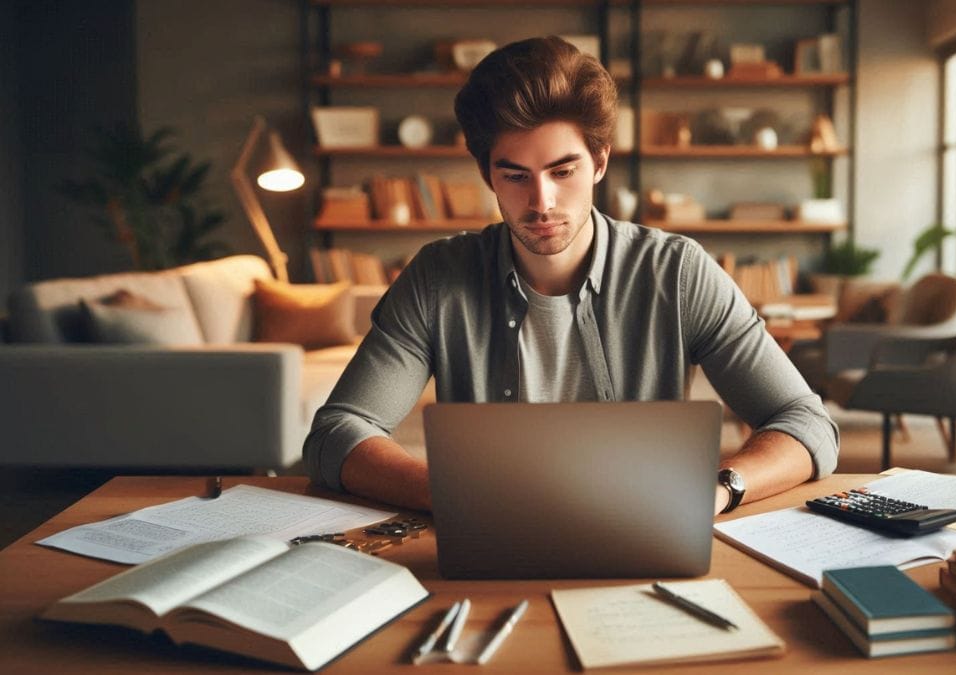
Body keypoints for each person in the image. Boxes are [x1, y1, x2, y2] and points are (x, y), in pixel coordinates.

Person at [303, 36, 838, 515]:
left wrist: (721, 488)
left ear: (600, 161)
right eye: (515, 175)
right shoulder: (436, 277)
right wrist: (447, 491)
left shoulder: (677, 271)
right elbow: (336, 433)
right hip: (491, 541)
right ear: (487, 172)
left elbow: (806, 423)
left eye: (563, 171)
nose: (542, 202)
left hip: (646, 534)